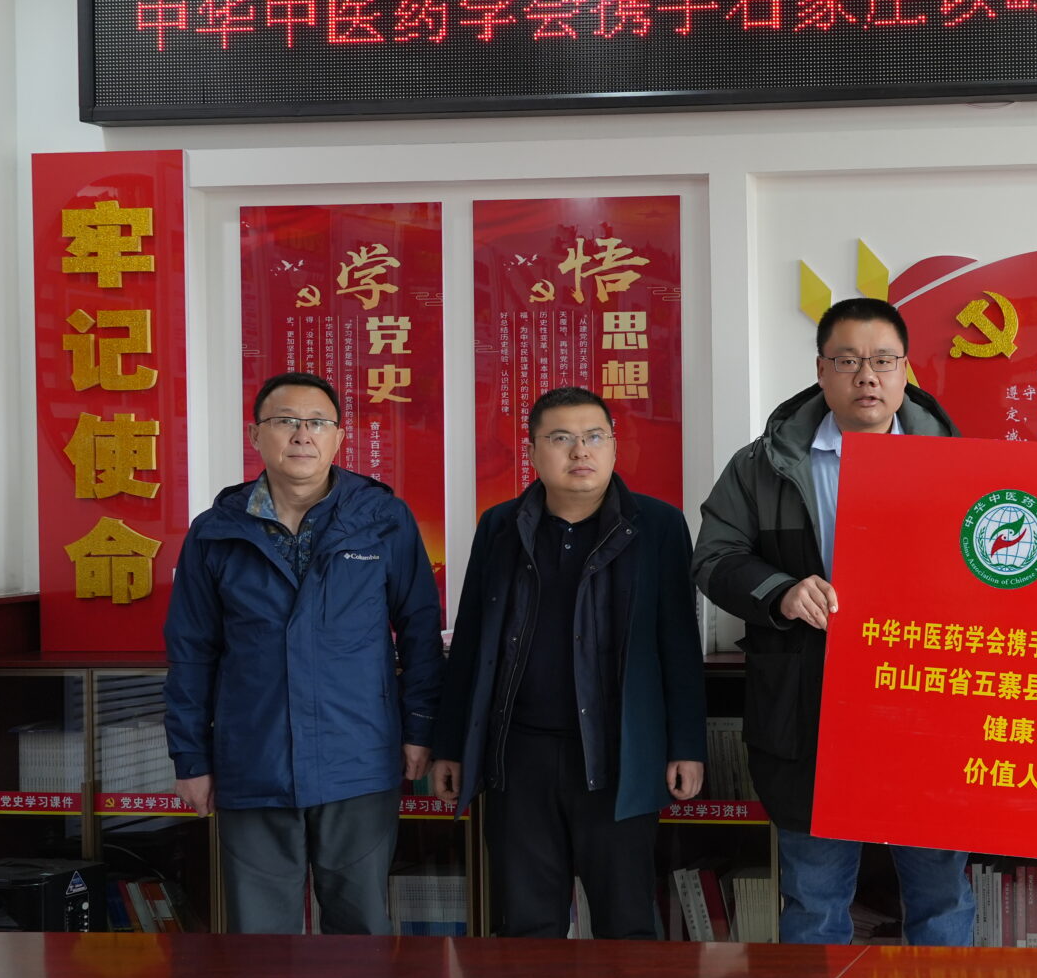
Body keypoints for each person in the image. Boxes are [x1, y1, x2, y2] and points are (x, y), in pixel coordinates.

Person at [692, 297, 974, 944]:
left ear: (906, 370)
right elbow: (713, 557)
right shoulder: (762, 465)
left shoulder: (961, 463)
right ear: (821, 370)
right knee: (814, 902)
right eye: (847, 361)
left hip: (926, 708)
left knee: (941, 896)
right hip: (809, 708)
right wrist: (781, 591)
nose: (866, 376)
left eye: (882, 361)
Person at [163, 370, 441, 934]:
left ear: (339, 437)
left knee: (361, 930)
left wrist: (419, 729)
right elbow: (190, 652)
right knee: (261, 937)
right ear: (255, 434)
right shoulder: (215, 532)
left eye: (317, 423)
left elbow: (420, 631)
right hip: (253, 758)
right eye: (285, 421)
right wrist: (191, 758)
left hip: (358, 757)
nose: (302, 435)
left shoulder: (383, 520)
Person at [423, 388, 706, 939]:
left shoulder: (658, 526)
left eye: (594, 436)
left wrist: (687, 745)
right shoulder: (500, 527)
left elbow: (678, 642)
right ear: (532, 452)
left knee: (626, 922)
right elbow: (473, 643)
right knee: (526, 927)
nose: (580, 450)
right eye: (561, 438)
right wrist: (451, 746)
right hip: (518, 756)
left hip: (619, 754)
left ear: (613, 447)